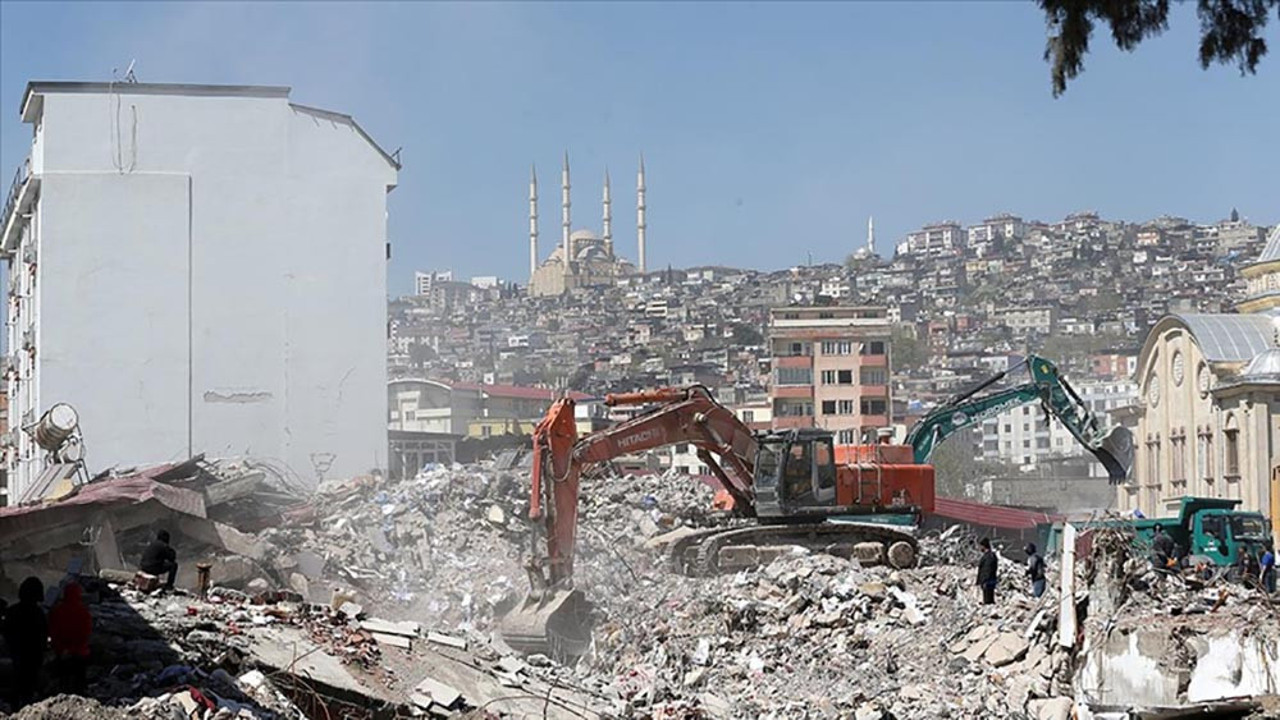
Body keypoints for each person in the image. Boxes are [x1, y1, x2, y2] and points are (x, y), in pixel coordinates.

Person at [3, 576, 48, 707]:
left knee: (17, 683)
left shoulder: (12, 611)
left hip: (16, 654)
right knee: (29, 688)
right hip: (33, 656)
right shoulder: (39, 614)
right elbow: (43, 636)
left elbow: (6, 631)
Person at [48, 581, 92, 694]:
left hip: (62, 652)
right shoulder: (83, 612)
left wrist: (60, 647)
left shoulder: (57, 611)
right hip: (80, 652)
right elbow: (86, 632)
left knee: (63, 681)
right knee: (79, 682)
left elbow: (53, 631)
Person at [976, 538, 998, 605]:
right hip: (990, 581)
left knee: (988, 601)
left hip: (987, 582)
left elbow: (986, 570)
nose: (980, 548)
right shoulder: (992, 556)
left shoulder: (988, 557)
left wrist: (984, 581)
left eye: (980, 546)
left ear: (984, 546)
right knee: (989, 599)